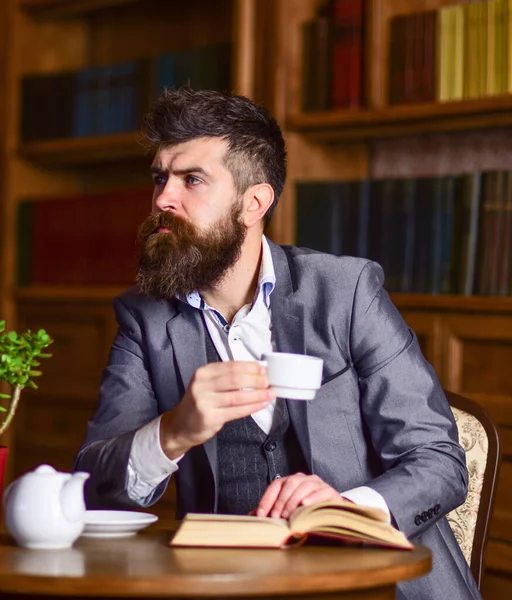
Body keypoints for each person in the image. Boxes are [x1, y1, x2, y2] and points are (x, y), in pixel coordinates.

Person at [75, 87, 481, 600]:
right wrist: (172, 432)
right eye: (160, 178)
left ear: (254, 203)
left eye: (191, 180)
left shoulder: (347, 291)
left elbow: (440, 461)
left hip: (385, 586)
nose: (162, 199)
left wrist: (346, 509)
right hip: (232, 588)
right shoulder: (144, 318)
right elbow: (92, 485)